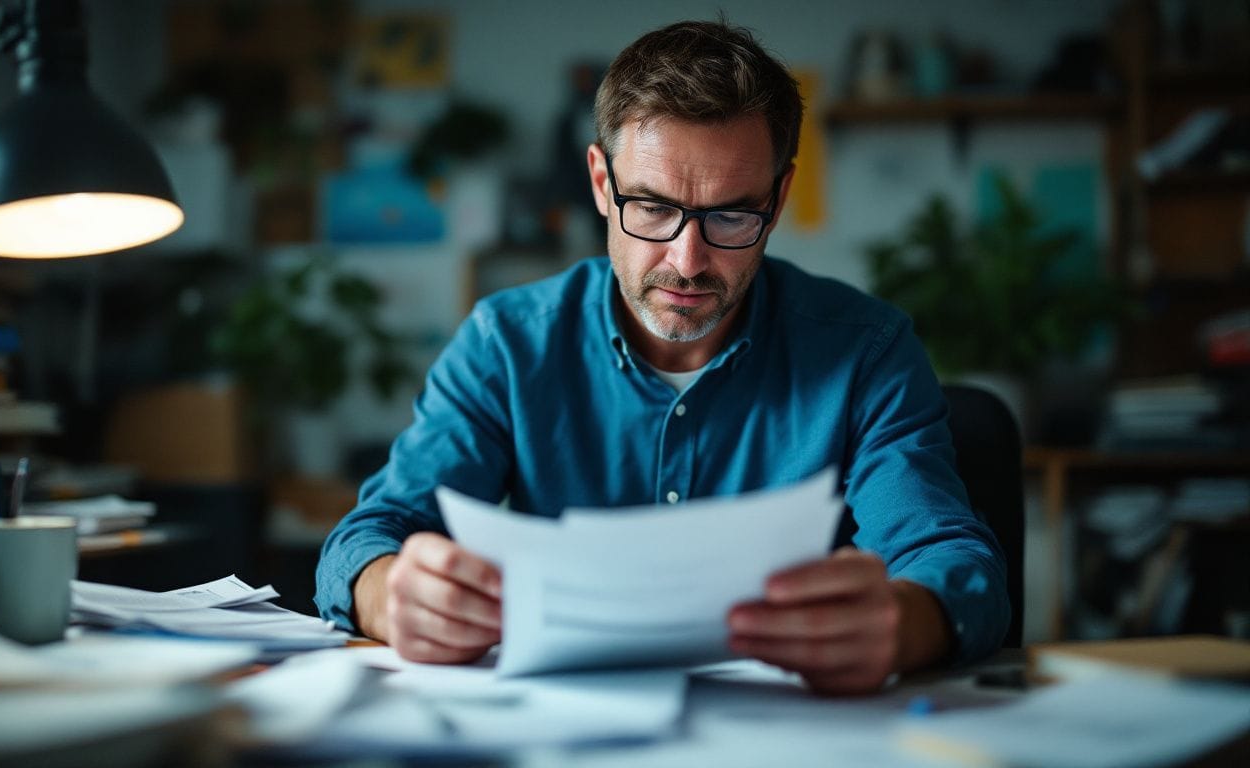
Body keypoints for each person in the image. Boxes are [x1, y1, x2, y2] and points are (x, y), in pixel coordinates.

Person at [317, 19, 1008, 695]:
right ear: (599, 182)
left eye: (732, 215)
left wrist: (906, 621)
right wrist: (388, 593)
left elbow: (947, 553)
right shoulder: (506, 344)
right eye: (650, 207)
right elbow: (373, 535)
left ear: (779, 197)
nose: (687, 260)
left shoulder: (868, 352)